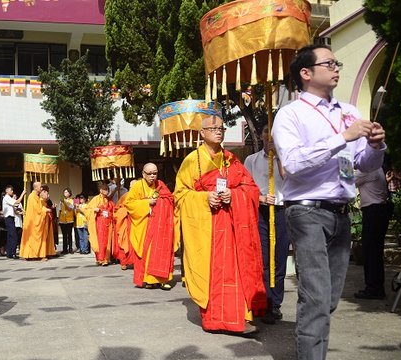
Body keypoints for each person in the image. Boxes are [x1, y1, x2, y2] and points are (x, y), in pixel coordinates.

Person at [272, 44, 386, 360]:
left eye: (338, 63)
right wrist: (343, 136)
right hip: (307, 212)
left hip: (340, 211)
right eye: (329, 63)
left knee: (330, 299)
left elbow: (364, 166)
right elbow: (293, 164)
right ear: (306, 73)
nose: (337, 68)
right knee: (316, 297)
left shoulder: (348, 112)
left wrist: (374, 145)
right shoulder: (290, 115)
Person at [174, 112, 266, 336]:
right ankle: (214, 320)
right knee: (212, 273)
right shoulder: (191, 161)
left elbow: (251, 189)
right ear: (201, 133)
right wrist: (205, 198)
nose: (218, 131)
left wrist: (234, 196)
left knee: (235, 271)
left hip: (233, 226)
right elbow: (180, 195)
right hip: (207, 228)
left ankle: (238, 319)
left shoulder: (231, 160)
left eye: (221, 128)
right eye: (212, 128)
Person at [244, 126, 290, 324]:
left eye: (274, 131)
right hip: (261, 212)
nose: (269, 135)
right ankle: (265, 301)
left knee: (279, 259)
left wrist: (279, 155)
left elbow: (291, 179)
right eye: (265, 130)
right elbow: (245, 188)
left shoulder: (286, 159)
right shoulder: (251, 160)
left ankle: (276, 304)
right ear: (261, 135)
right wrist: (260, 197)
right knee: (263, 259)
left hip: (282, 211)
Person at [124, 164, 175, 289]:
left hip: (159, 226)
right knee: (147, 253)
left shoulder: (161, 185)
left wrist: (162, 201)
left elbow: (170, 199)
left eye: (155, 173)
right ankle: (150, 280)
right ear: (143, 174)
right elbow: (129, 203)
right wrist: (147, 203)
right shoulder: (137, 186)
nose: (152, 176)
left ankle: (162, 279)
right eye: (149, 173)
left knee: (161, 250)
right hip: (144, 225)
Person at [354, 168, 390, 299]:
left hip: (373, 211)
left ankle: (373, 288)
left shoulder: (368, 170)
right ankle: (375, 287)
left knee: (371, 251)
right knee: (374, 251)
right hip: (378, 210)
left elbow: (348, 180)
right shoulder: (378, 168)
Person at [19, 182, 56, 260]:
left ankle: (35, 255)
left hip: (36, 221)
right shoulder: (32, 197)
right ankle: (33, 255)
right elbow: (37, 210)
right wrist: (46, 210)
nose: (41, 188)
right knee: (33, 239)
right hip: (33, 222)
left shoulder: (36, 196)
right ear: (35, 188)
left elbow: (40, 207)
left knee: (36, 238)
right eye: (40, 187)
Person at [86, 182, 115, 266]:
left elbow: (113, 210)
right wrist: (94, 210)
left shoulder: (109, 200)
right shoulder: (96, 199)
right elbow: (87, 209)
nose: (107, 191)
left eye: (107, 190)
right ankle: (100, 258)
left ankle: (106, 258)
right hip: (99, 224)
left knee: (107, 241)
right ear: (101, 190)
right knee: (100, 241)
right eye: (105, 189)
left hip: (108, 223)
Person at [112, 181, 136, 270]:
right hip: (125, 221)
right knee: (124, 240)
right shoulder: (125, 195)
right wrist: (124, 212)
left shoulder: (140, 196)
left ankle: (135, 261)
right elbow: (117, 208)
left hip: (135, 222)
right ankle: (124, 262)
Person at [2, 185, 26, 259]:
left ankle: (9, 253)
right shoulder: (6, 198)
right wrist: (23, 193)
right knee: (14, 236)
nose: (12, 191)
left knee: (10, 236)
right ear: (7, 191)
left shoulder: (8, 198)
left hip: (11, 218)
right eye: (11, 190)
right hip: (8, 218)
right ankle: (12, 253)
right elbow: (17, 202)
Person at [58, 188, 75, 254]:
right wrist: (58, 219)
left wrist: (64, 202)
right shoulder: (61, 201)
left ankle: (70, 248)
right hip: (62, 220)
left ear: (69, 193)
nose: (65, 193)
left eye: (66, 192)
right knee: (64, 235)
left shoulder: (71, 200)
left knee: (69, 234)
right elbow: (59, 210)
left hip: (69, 220)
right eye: (64, 192)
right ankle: (64, 249)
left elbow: (70, 208)